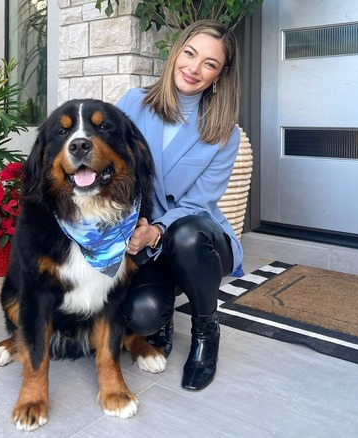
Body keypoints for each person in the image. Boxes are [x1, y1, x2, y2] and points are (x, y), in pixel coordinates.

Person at [116, 19, 243, 391]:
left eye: (209, 63)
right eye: (190, 54)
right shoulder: (132, 104)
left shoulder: (224, 133)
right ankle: (164, 311)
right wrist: (132, 226)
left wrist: (157, 229)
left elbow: (200, 201)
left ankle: (207, 329)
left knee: (184, 235)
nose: (194, 68)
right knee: (140, 316)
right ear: (176, 54)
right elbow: (113, 169)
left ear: (219, 75)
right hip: (141, 238)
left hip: (196, 235)